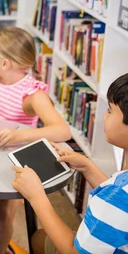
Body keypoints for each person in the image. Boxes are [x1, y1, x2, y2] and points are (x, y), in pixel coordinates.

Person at [0, 27, 71, 254]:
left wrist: (18, 135)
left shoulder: (32, 94)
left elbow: (62, 131)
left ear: (5, 63)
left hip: (11, 161)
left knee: (0, 212)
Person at [13, 73, 128, 254]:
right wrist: (87, 166)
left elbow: (73, 251)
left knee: (38, 238)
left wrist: (37, 198)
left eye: (110, 111)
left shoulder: (117, 198)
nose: (104, 117)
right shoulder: (120, 190)